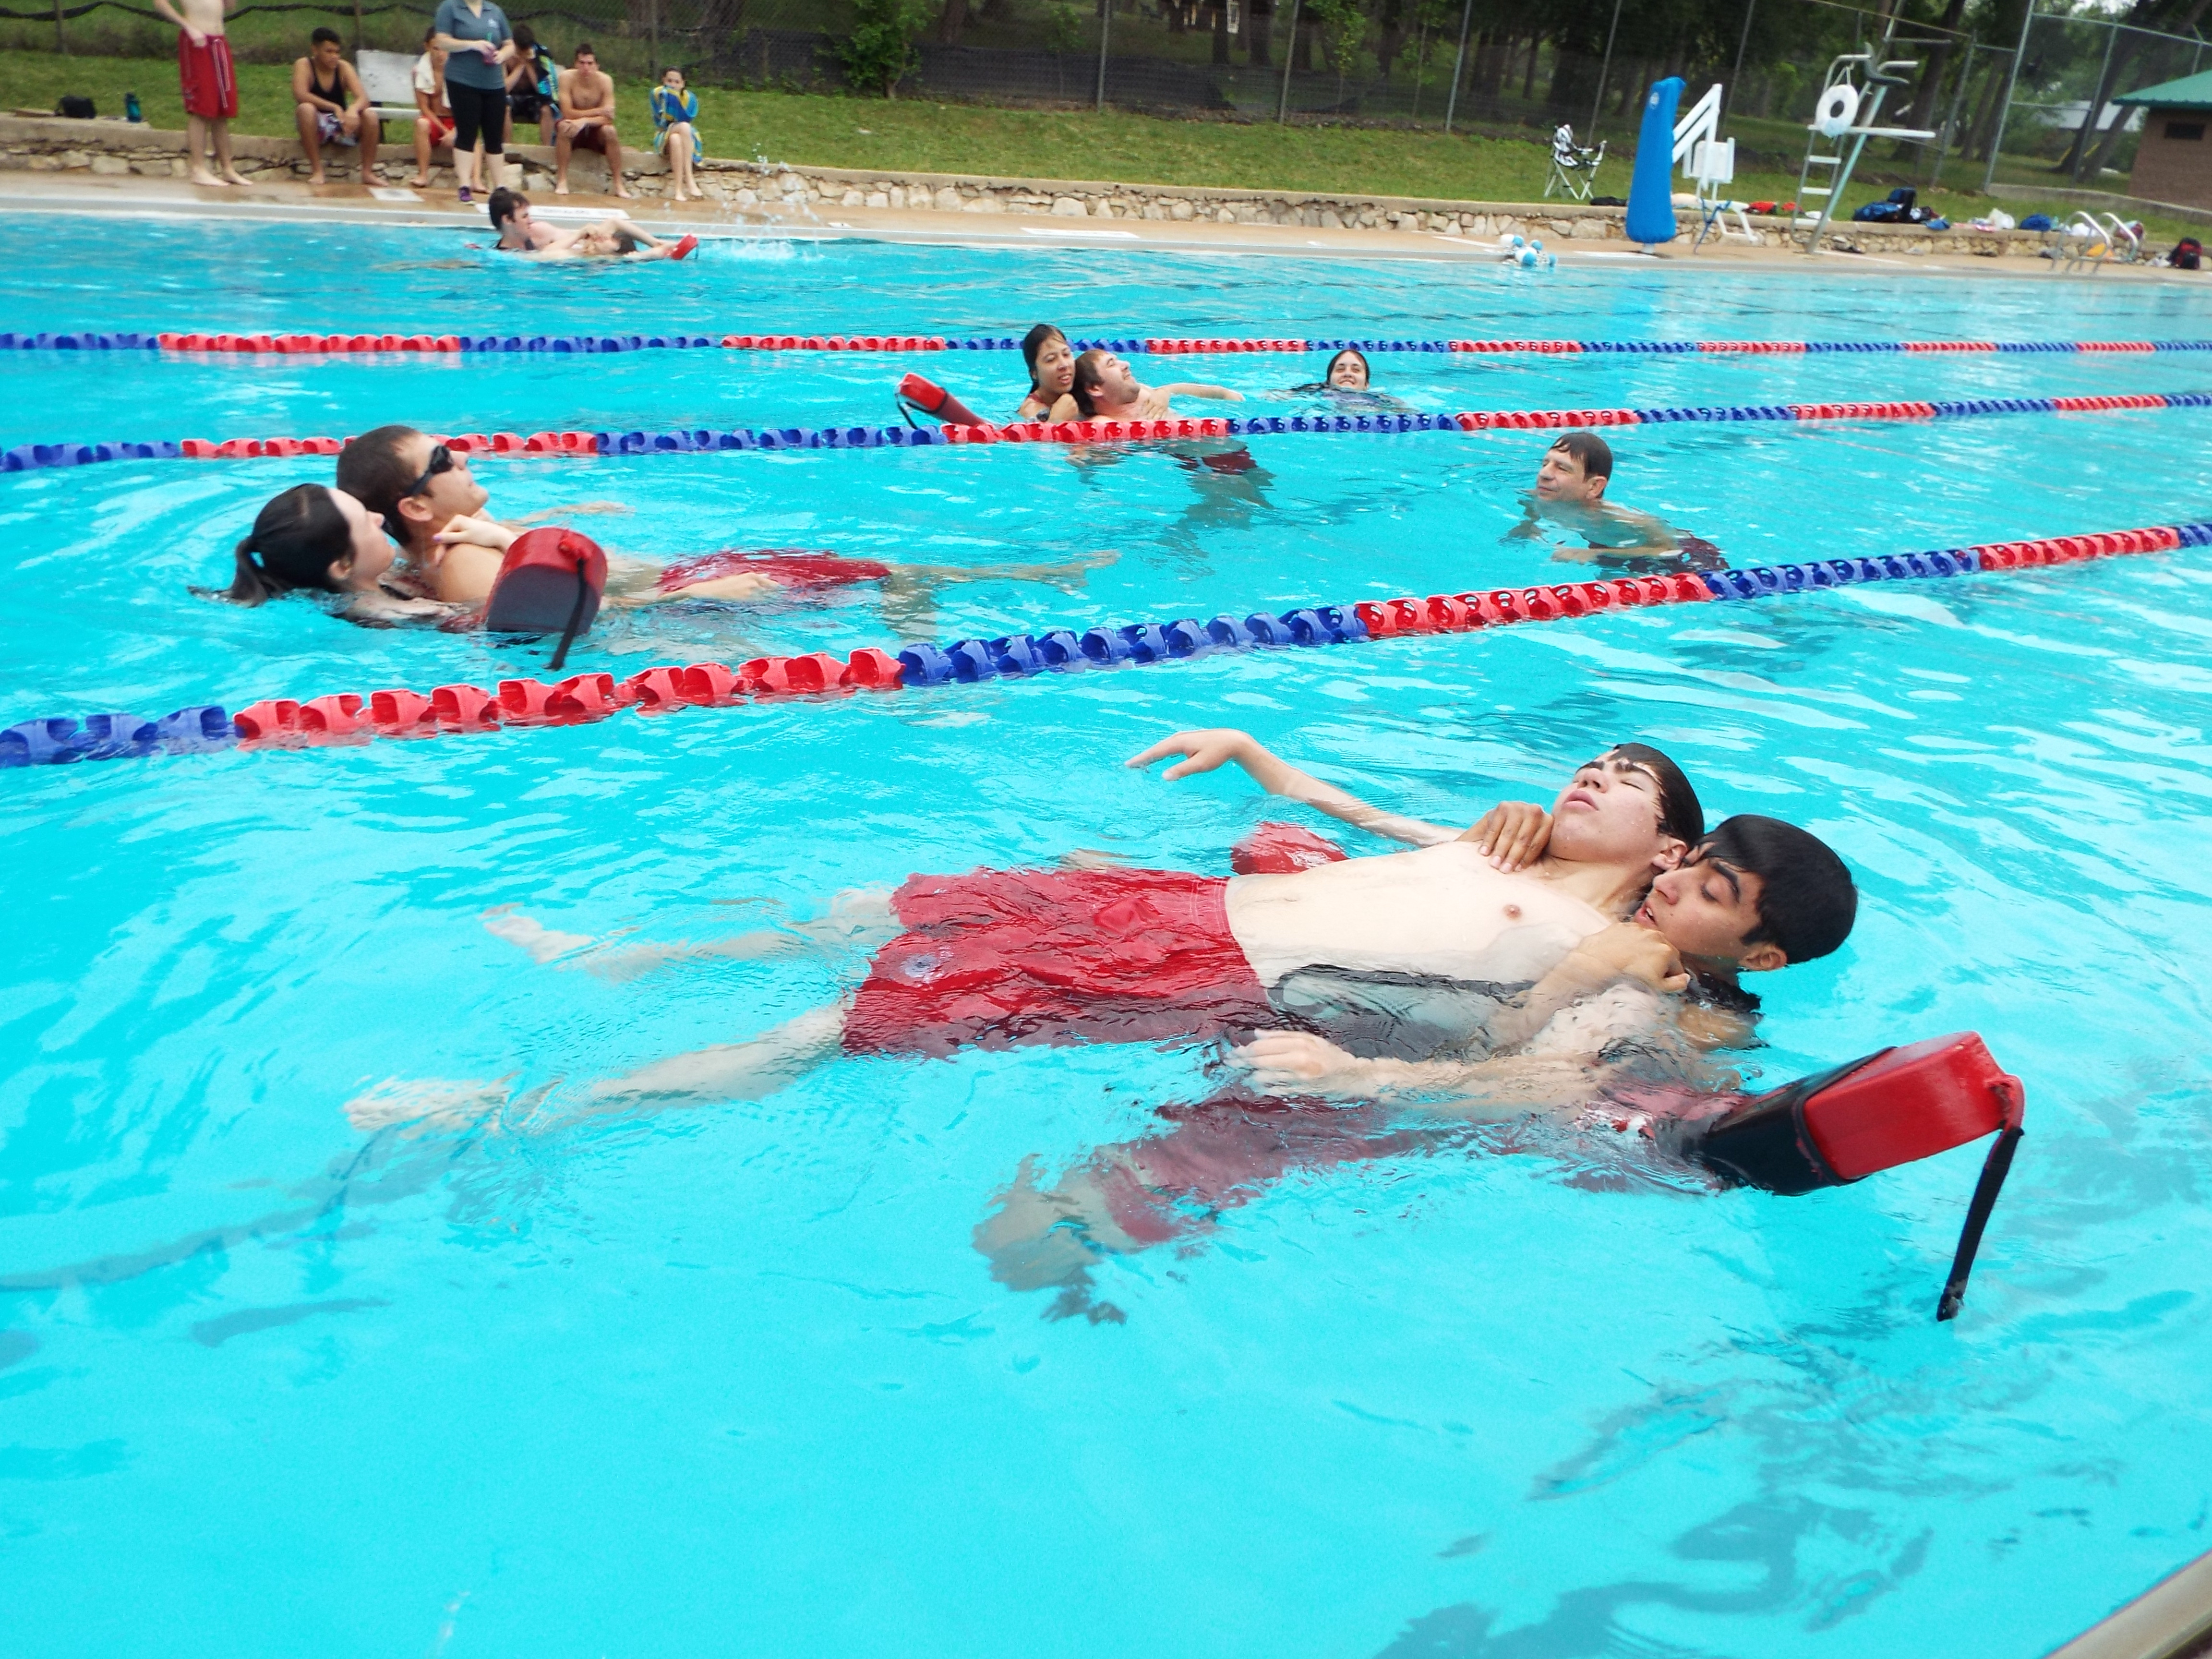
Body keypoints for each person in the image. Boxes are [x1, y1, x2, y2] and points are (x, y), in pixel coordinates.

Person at [364, 733, 1709, 1133]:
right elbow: (1337, 807)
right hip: (1169, 909)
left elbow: (1568, 1064)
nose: (1592, 778)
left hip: (1206, 971)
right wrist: (1256, 757)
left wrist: (1369, 1080)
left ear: (1670, 849)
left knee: (838, 1027)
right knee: (870, 913)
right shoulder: (1492, 840)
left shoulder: (1607, 951)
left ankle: (523, 1111)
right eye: (1590, 762)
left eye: (1628, 781)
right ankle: (624, 961)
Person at [330, 424, 1109, 615]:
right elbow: (572, 618)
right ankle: (1017, 592)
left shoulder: (449, 549)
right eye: (447, 460)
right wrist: (701, 596)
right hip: (696, 601)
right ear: (416, 507)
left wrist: (559, 516)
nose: (465, 458)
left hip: (693, 582)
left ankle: (1016, 580)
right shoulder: (465, 564)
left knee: (873, 569)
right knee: (890, 573)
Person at [196, 482, 447, 625]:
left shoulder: (375, 580)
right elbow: (479, 625)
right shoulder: (386, 613)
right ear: (343, 567)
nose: (379, 518)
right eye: (365, 522)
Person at [1507, 433, 1726, 574]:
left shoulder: (1621, 519)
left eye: (1562, 469)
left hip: (1689, 559)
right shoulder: (1536, 496)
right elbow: (1531, 511)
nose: (1544, 474)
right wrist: (1527, 527)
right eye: (1546, 463)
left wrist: (1594, 555)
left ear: (1594, 487)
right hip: (1613, 550)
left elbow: (1668, 549)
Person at [153, 0, 248, 188]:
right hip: (197, 41)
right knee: (201, 108)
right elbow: (159, 3)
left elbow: (229, 6)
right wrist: (187, 26)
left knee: (222, 110)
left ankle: (227, 168)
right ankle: (198, 169)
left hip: (219, 42)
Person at [431, 0, 514, 205]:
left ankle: (500, 187)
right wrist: (472, 45)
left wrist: (502, 54)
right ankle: (465, 185)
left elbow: (509, 43)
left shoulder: (494, 11)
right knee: (467, 131)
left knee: (494, 134)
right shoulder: (450, 8)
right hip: (463, 80)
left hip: (493, 82)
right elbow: (442, 40)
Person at [485, 188, 695, 261]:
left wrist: (592, 234)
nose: (530, 220)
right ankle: (656, 253)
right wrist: (582, 236)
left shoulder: (538, 231)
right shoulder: (505, 255)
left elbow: (571, 239)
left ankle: (660, 244)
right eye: (524, 217)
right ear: (507, 221)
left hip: (587, 253)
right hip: (578, 260)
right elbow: (547, 255)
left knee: (612, 224)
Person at [291, 27, 380, 186]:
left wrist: (352, 110)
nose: (334, 57)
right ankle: (317, 170)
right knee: (305, 109)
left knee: (370, 115)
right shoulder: (304, 65)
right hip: (316, 123)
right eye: (329, 52)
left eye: (337, 52)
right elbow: (301, 94)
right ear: (315, 50)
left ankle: (367, 172)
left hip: (342, 125)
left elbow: (363, 98)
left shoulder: (343, 68)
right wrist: (335, 107)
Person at [1070, 349, 1241, 421]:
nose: (1126, 364)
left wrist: (1221, 393)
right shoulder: (1104, 423)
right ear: (1095, 389)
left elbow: (1176, 389)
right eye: (1111, 364)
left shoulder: (1143, 393)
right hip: (1196, 460)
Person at [555, 43, 630, 199]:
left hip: (595, 129)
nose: (586, 68)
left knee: (611, 131)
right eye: (582, 63)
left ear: (597, 66)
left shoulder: (605, 81)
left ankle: (618, 183)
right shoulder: (566, 78)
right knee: (564, 127)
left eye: (590, 64)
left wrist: (584, 121)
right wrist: (597, 111)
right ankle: (562, 180)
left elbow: (608, 118)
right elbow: (567, 112)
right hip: (573, 125)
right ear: (576, 64)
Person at [407, 26, 452, 190]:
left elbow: (468, 107)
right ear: (427, 47)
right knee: (421, 124)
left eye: (445, 49)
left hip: (455, 121)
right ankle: (423, 174)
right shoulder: (420, 71)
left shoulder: (459, 71)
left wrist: (455, 131)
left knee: (473, 138)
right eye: (436, 48)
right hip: (435, 121)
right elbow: (424, 108)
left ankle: (475, 180)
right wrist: (444, 131)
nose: (441, 54)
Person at [651, 68, 702, 203]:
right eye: (669, 81)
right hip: (663, 133)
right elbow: (661, 121)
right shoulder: (657, 94)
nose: (673, 85)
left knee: (676, 139)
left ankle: (678, 190)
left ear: (683, 84)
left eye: (677, 82)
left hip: (682, 135)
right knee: (684, 127)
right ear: (664, 80)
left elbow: (689, 116)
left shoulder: (690, 98)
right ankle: (690, 179)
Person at [505, 21, 559, 147]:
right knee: (503, 106)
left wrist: (529, 65)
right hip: (511, 97)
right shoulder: (505, 55)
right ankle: (506, 149)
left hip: (534, 98)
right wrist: (520, 67)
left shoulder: (542, 54)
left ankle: (546, 151)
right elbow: (502, 89)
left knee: (548, 109)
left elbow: (545, 92)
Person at [1012, 324, 1080, 421]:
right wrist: (1056, 420)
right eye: (1051, 360)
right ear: (1034, 373)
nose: (1064, 365)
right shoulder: (1031, 412)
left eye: (1066, 354)